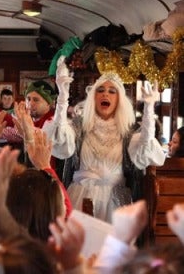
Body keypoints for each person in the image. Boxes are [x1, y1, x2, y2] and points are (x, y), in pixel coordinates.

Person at [43, 56, 165, 223]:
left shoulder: (128, 133)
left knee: (112, 248)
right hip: (80, 197)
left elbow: (145, 151)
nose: (105, 94)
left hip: (115, 202)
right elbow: (60, 139)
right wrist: (63, 97)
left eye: (111, 91)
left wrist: (149, 110)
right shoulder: (79, 127)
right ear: (93, 97)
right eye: (100, 90)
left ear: (119, 100)